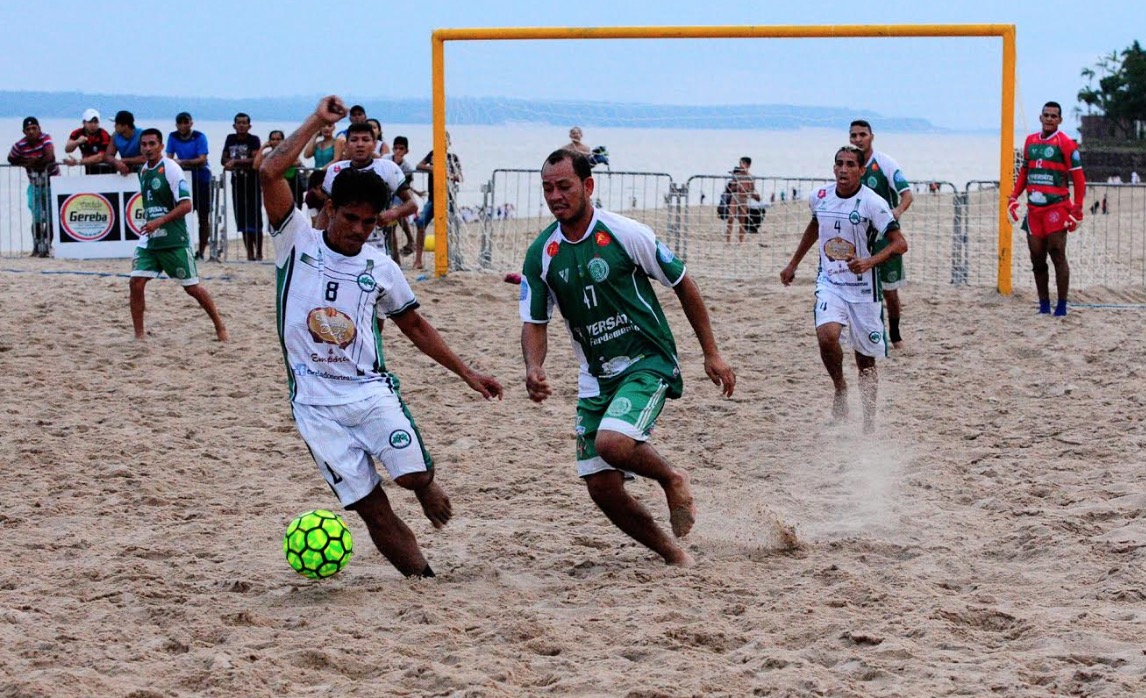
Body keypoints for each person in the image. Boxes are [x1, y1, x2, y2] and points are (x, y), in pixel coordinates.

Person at [259, 95, 503, 579]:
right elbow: (269, 173)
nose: (359, 229)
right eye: (350, 218)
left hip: (369, 391)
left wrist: (467, 372)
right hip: (314, 401)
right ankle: (424, 582)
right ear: (330, 208)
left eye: (369, 222)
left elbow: (414, 325)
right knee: (371, 507)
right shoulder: (296, 243)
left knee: (412, 475)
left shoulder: (380, 267)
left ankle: (425, 482)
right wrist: (317, 122)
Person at [520, 148, 737, 567]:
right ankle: (674, 555)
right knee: (601, 485)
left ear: (587, 186)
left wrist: (711, 353)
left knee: (614, 443)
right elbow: (534, 321)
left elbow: (683, 283)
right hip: (595, 376)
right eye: (547, 188)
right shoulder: (541, 254)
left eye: (564, 186)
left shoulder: (625, 232)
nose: (555, 196)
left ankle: (673, 479)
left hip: (647, 360)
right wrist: (534, 367)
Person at [779, 145, 908, 433]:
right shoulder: (820, 197)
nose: (843, 169)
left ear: (862, 171)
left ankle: (869, 423)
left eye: (850, 164)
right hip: (830, 283)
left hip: (864, 292)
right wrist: (793, 263)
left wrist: (869, 262)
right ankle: (839, 387)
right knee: (827, 336)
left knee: (865, 361)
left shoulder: (873, 203)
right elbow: (815, 226)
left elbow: (900, 244)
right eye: (839, 164)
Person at [129, 129, 229, 342]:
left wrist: (160, 221)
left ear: (161, 146)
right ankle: (139, 336)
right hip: (150, 239)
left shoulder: (171, 169)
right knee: (136, 282)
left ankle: (220, 326)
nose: (147, 148)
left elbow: (186, 205)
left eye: (152, 144)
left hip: (174, 239)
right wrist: (152, 222)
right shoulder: (144, 171)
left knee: (192, 288)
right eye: (144, 144)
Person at [1007, 101, 1085, 317]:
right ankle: (1043, 305)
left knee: (1057, 253)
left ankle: (1061, 306)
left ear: (1060, 120)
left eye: (1054, 116)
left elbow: (1079, 180)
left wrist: (1077, 210)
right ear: (1040, 118)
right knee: (1036, 257)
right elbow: (1024, 172)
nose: (1050, 119)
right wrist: (1014, 196)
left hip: (1057, 208)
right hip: (1034, 210)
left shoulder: (1066, 144)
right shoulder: (1030, 142)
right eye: (1046, 115)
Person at [849, 120, 913, 348]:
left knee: (889, 290)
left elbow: (907, 194)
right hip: (857, 238)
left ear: (871, 137)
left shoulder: (885, 163)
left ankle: (895, 335)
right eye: (854, 135)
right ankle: (873, 335)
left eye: (862, 135)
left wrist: (895, 213)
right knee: (860, 289)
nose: (858, 139)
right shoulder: (849, 165)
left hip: (885, 239)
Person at [319, 123, 417, 257]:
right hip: (340, 247)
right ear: (346, 145)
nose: (360, 144)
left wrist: (392, 213)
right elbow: (325, 211)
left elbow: (412, 204)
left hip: (376, 247)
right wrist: (317, 240)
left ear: (374, 144)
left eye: (365, 140)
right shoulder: (335, 170)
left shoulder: (387, 168)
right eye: (354, 140)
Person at [7, 116, 60, 258]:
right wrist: (25, 162)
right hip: (35, 184)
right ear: (24, 131)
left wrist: (33, 163)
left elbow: (50, 157)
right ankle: (37, 246)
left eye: (34, 128)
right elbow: (11, 158)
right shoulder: (20, 145)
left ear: (39, 128)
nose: (31, 132)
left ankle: (47, 246)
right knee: (36, 216)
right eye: (28, 129)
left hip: (52, 183)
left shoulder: (45, 139)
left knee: (51, 217)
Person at [166, 112, 212, 260]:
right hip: (183, 180)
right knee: (180, 215)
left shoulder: (199, 136)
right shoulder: (173, 136)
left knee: (203, 217)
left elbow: (202, 159)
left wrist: (182, 162)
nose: (183, 126)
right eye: (180, 123)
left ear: (191, 123)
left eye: (186, 122)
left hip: (201, 179)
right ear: (176, 124)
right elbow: (169, 158)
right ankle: (182, 247)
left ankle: (202, 251)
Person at [414, 134, 462, 270]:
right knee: (420, 223)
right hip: (433, 199)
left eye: (445, 141)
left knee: (449, 229)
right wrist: (432, 168)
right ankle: (418, 260)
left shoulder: (453, 158)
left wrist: (447, 175)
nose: (443, 143)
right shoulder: (432, 155)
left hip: (448, 200)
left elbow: (459, 177)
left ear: (449, 143)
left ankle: (449, 258)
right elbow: (419, 165)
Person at [222, 113, 263, 261]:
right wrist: (232, 163)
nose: (241, 125)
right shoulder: (230, 138)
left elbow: (255, 160)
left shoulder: (254, 140)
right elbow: (223, 159)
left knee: (255, 217)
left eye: (244, 123)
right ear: (234, 125)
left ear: (249, 125)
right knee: (242, 217)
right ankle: (249, 252)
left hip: (252, 182)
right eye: (239, 123)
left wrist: (235, 162)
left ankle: (259, 251)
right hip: (237, 182)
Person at [383, 135, 418, 259]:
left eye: (401, 149)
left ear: (406, 151)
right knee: (390, 229)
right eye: (396, 148)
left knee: (394, 222)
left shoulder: (406, 167)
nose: (398, 151)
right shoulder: (386, 160)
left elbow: (406, 187)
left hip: (397, 196)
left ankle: (406, 244)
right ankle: (408, 241)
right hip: (385, 195)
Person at [253, 130, 304, 208]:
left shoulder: (289, 152)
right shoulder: (267, 155)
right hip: (274, 187)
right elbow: (256, 166)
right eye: (273, 139)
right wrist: (263, 147)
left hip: (292, 185)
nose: (275, 142)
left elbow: (297, 162)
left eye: (278, 139)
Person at [63, 109, 114, 174]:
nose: (93, 125)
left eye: (96, 122)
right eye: (90, 122)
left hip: (107, 171)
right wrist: (77, 142)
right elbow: (68, 149)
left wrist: (78, 162)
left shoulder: (104, 135)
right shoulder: (77, 133)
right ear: (84, 123)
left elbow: (100, 157)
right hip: (89, 170)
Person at [724, 158, 761, 243]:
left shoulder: (750, 177)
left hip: (744, 199)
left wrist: (748, 191)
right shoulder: (737, 175)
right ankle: (728, 240)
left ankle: (741, 241)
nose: (741, 165)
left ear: (748, 165)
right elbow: (731, 188)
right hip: (735, 197)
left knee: (742, 220)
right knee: (730, 218)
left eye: (743, 163)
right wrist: (737, 187)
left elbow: (752, 190)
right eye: (740, 163)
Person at [105, 110, 145, 175]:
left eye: (117, 124)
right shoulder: (115, 136)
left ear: (125, 126)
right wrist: (116, 162)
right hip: (126, 171)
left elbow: (146, 157)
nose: (114, 126)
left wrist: (125, 160)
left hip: (143, 172)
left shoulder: (142, 135)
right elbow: (108, 155)